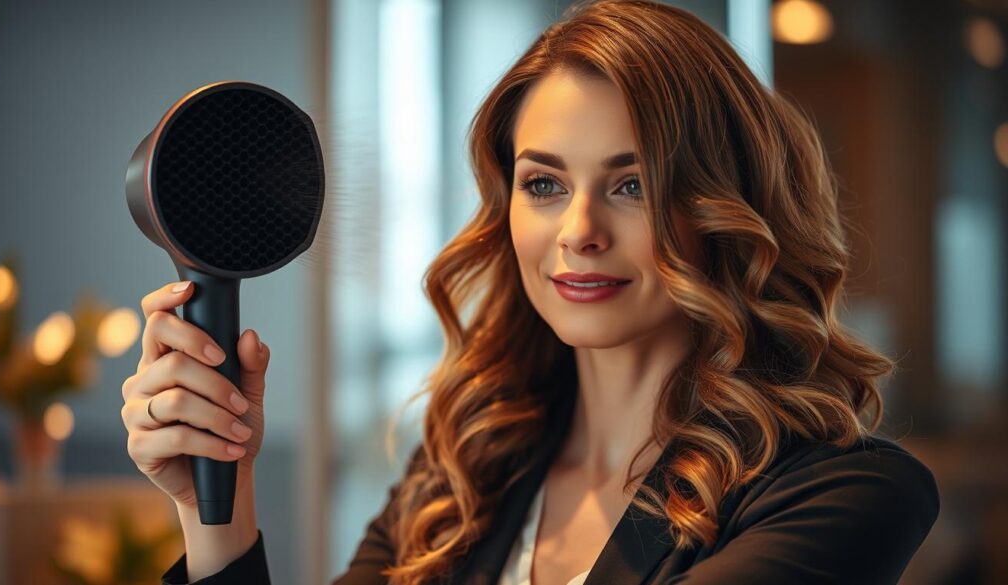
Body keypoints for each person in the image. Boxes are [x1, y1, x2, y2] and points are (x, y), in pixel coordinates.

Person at [119, 1, 940, 583]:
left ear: (722, 208)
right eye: (544, 184)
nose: (578, 230)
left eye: (632, 185)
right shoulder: (461, 471)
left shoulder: (847, 496)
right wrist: (218, 509)